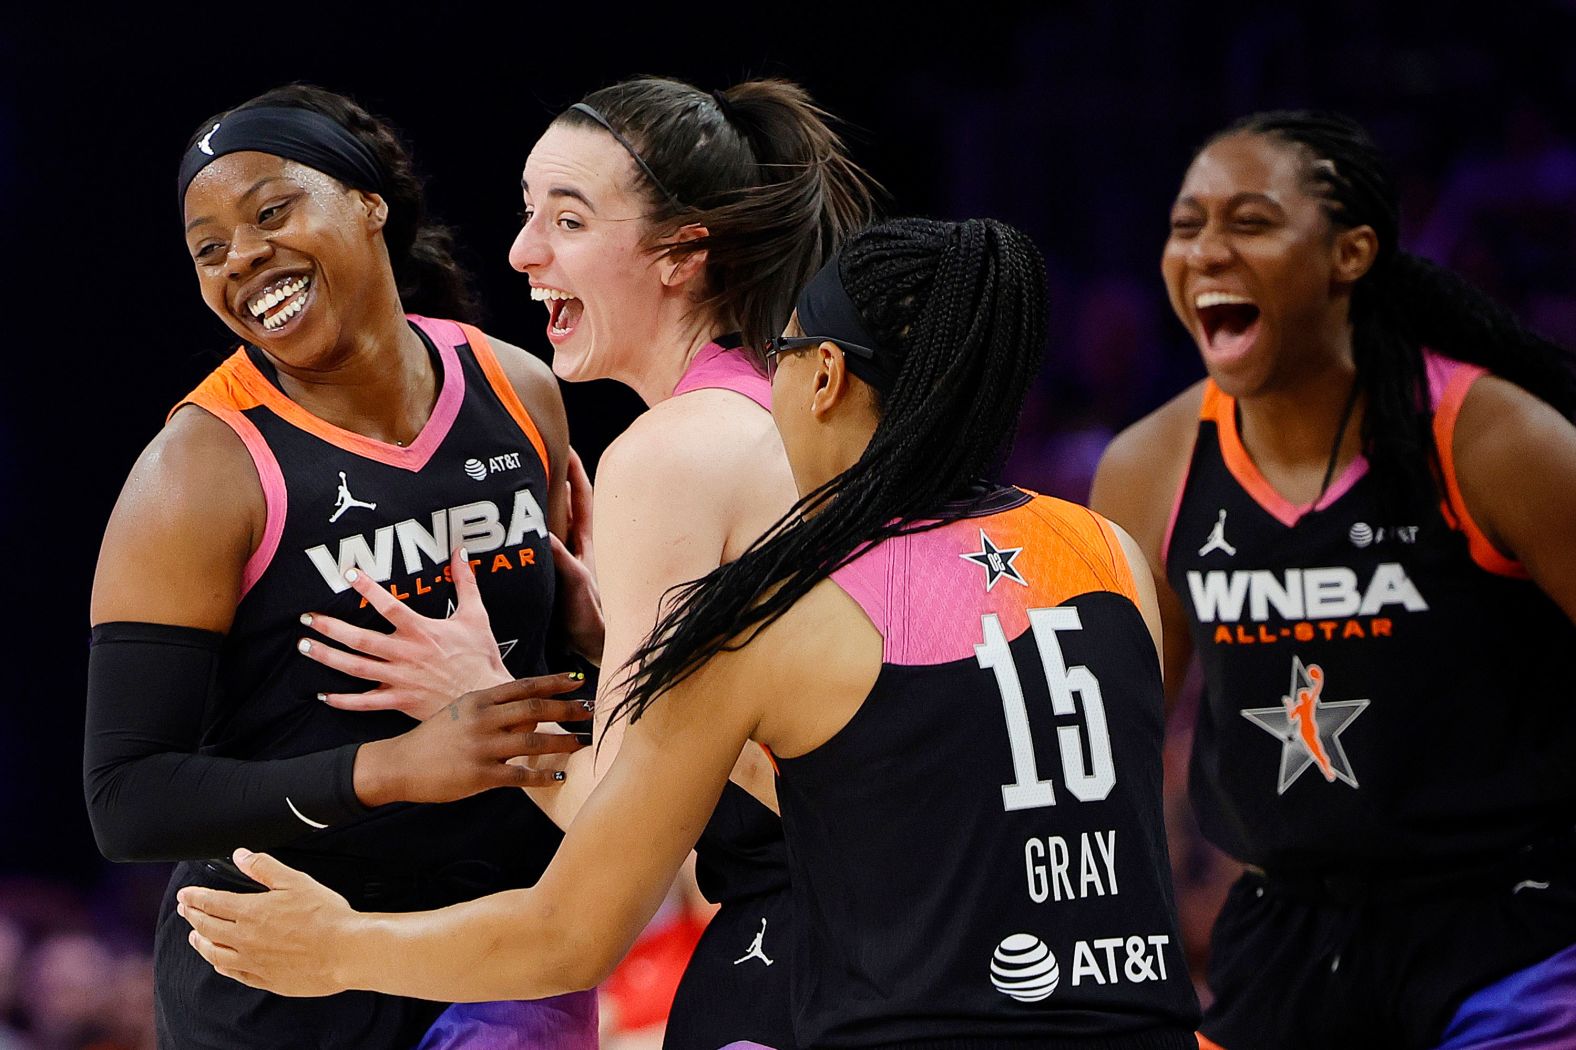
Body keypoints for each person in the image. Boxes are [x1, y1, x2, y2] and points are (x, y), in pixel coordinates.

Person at [177, 216, 1203, 1050]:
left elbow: (570, 934)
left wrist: (341, 948)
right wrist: (606, 630)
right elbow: (928, 770)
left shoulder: (775, 612)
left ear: (824, 379)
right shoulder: (1111, 556)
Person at [286, 75, 875, 1049]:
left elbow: (622, 838)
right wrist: (616, 641)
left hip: (831, 948)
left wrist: (479, 694)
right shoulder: (771, 405)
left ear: (683, 253)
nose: (523, 252)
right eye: (528, 214)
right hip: (898, 929)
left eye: (567, 219)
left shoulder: (670, 451)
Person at [85, 84, 597, 1049]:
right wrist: (397, 768)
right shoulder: (198, 472)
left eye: (271, 210)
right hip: (279, 977)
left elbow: (564, 670)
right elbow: (128, 800)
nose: (242, 256)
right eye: (208, 249)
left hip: (502, 950)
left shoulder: (519, 388)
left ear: (370, 203)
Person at [1089, 111, 1576, 1048]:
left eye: (1251, 222)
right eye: (1187, 227)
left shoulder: (1492, 440)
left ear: (1351, 253)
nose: (1207, 252)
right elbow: (1115, 744)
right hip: (1285, 942)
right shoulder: (1149, 468)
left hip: (1509, 934)